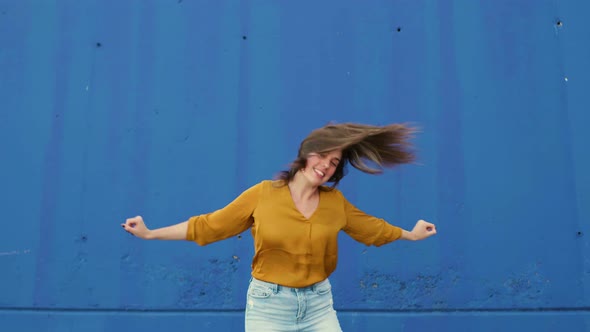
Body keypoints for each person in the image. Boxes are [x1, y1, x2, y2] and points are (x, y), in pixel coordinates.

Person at [121, 122, 437, 331]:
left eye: (335, 162)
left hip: (318, 306)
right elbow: (210, 226)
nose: (327, 166)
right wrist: (150, 233)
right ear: (305, 155)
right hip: (269, 306)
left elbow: (371, 228)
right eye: (323, 156)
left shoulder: (334, 203)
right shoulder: (263, 195)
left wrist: (410, 234)